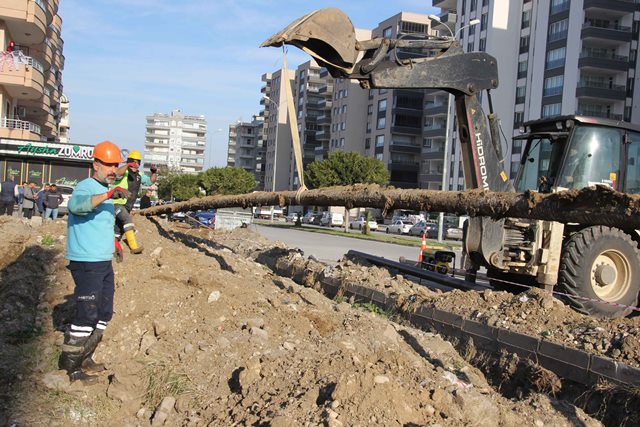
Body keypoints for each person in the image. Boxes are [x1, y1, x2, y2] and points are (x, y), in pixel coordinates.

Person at [58, 140, 129, 384]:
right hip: (86, 261)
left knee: (103, 312)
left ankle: (85, 356)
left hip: (102, 260)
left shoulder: (104, 191)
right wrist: (109, 193)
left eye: (115, 166)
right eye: (107, 165)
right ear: (95, 165)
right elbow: (76, 207)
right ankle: (70, 368)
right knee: (86, 314)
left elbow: (101, 225)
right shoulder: (86, 187)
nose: (112, 170)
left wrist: (115, 243)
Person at [111, 150, 157, 254]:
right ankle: (134, 247)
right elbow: (117, 173)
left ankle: (112, 248)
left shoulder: (139, 175)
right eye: (133, 162)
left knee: (118, 230)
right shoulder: (124, 172)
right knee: (127, 220)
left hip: (128, 206)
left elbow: (151, 181)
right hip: (117, 203)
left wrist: (154, 172)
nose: (135, 164)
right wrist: (127, 165)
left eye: (137, 162)